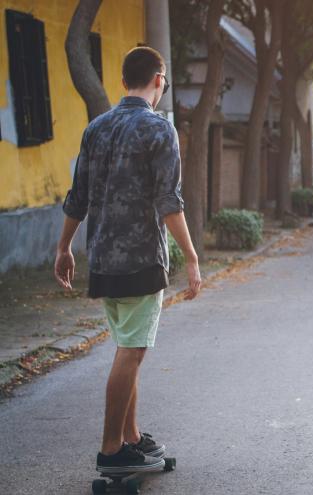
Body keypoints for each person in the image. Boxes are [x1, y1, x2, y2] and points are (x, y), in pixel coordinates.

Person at [54, 46, 201, 474]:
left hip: (101, 258)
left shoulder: (96, 128)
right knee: (132, 352)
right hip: (139, 261)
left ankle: (131, 438)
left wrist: (64, 247)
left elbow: (76, 196)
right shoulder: (160, 130)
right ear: (159, 80)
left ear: (122, 82)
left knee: (127, 348)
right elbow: (168, 203)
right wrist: (191, 257)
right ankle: (111, 450)